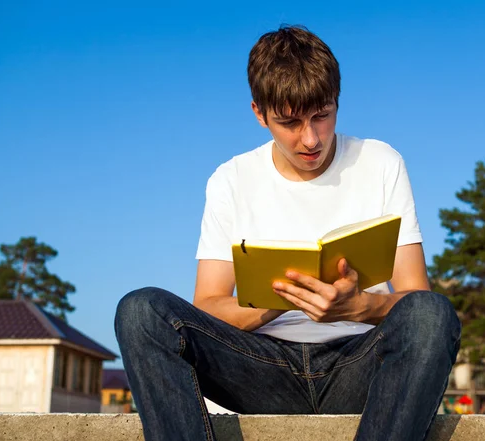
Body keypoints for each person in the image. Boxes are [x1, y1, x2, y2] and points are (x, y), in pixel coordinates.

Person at [115, 25, 461, 441]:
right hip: (260, 368)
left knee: (434, 313)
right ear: (259, 114)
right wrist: (282, 299)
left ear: (337, 102)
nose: (310, 139)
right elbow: (207, 305)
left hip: (359, 365)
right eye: (290, 122)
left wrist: (356, 307)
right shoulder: (231, 179)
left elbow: (415, 297)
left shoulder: (381, 162)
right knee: (140, 312)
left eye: (322, 116)